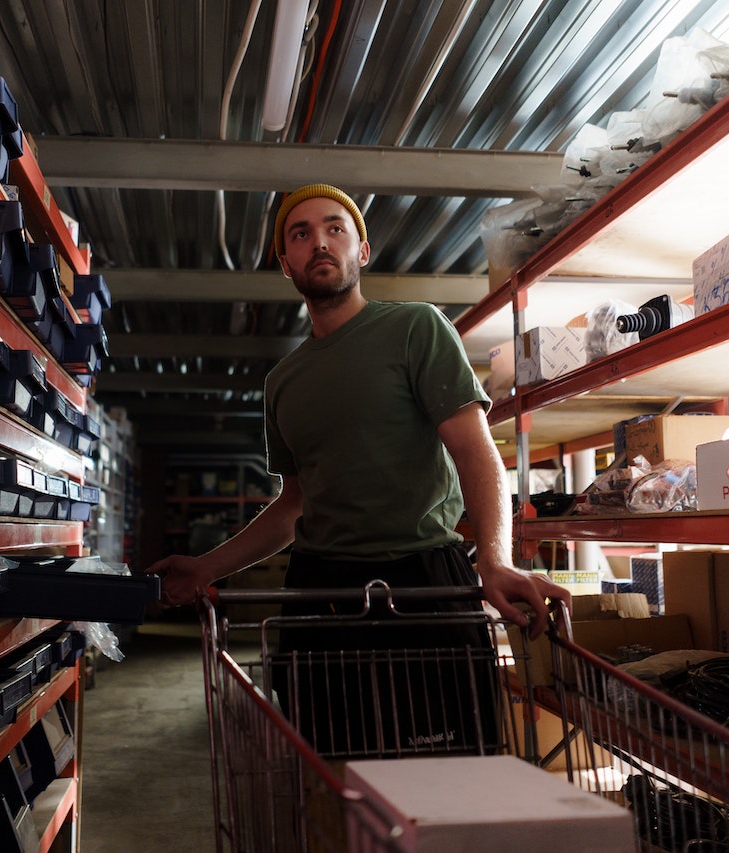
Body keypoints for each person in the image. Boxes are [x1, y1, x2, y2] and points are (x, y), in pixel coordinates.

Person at [147, 183, 570, 755]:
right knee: (332, 769)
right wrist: (205, 568)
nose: (318, 242)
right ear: (286, 263)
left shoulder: (416, 329)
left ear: (362, 251)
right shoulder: (283, 383)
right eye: (301, 234)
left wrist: (494, 561)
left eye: (334, 228)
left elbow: (476, 452)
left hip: (422, 583)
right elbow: (293, 505)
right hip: (321, 591)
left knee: (446, 769)